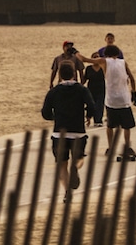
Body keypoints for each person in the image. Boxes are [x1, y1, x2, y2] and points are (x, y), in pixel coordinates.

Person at [41, 62, 97, 200]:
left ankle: (67, 192)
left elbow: (45, 112)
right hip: (78, 131)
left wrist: (55, 117)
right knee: (79, 158)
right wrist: (88, 115)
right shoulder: (82, 90)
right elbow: (92, 106)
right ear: (74, 73)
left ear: (59, 75)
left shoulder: (53, 92)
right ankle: (76, 168)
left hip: (59, 132)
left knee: (61, 164)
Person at [83, 34, 136, 158]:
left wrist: (75, 52)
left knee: (110, 126)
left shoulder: (103, 62)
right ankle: (127, 147)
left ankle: (111, 147)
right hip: (124, 99)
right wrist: (134, 92)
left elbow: (85, 59)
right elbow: (132, 78)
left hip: (111, 100)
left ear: (106, 54)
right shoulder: (123, 62)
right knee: (127, 126)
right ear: (117, 53)